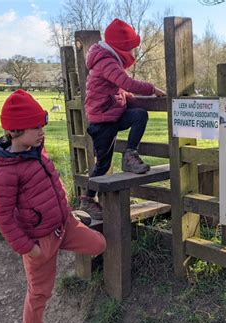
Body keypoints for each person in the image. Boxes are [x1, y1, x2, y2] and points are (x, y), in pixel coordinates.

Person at [0, 89, 106, 323]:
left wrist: (67, 216)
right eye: (36, 127)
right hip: (40, 240)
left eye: (43, 125)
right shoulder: (5, 174)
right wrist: (31, 250)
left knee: (99, 243)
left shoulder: (37, 150)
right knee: (40, 292)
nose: (42, 132)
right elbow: (4, 218)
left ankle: (64, 243)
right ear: (15, 131)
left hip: (64, 223)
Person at [78, 18, 166, 220]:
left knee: (139, 115)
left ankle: (129, 155)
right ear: (121, 47)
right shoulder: (105, 61)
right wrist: (152, 90)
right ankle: (87, 200)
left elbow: (116, 90)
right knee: (102, 164)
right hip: (102, 121)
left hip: (112, 115)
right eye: (131, 48)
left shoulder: (108, 60)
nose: (133, 54)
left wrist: (131, 100)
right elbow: (126, 83)